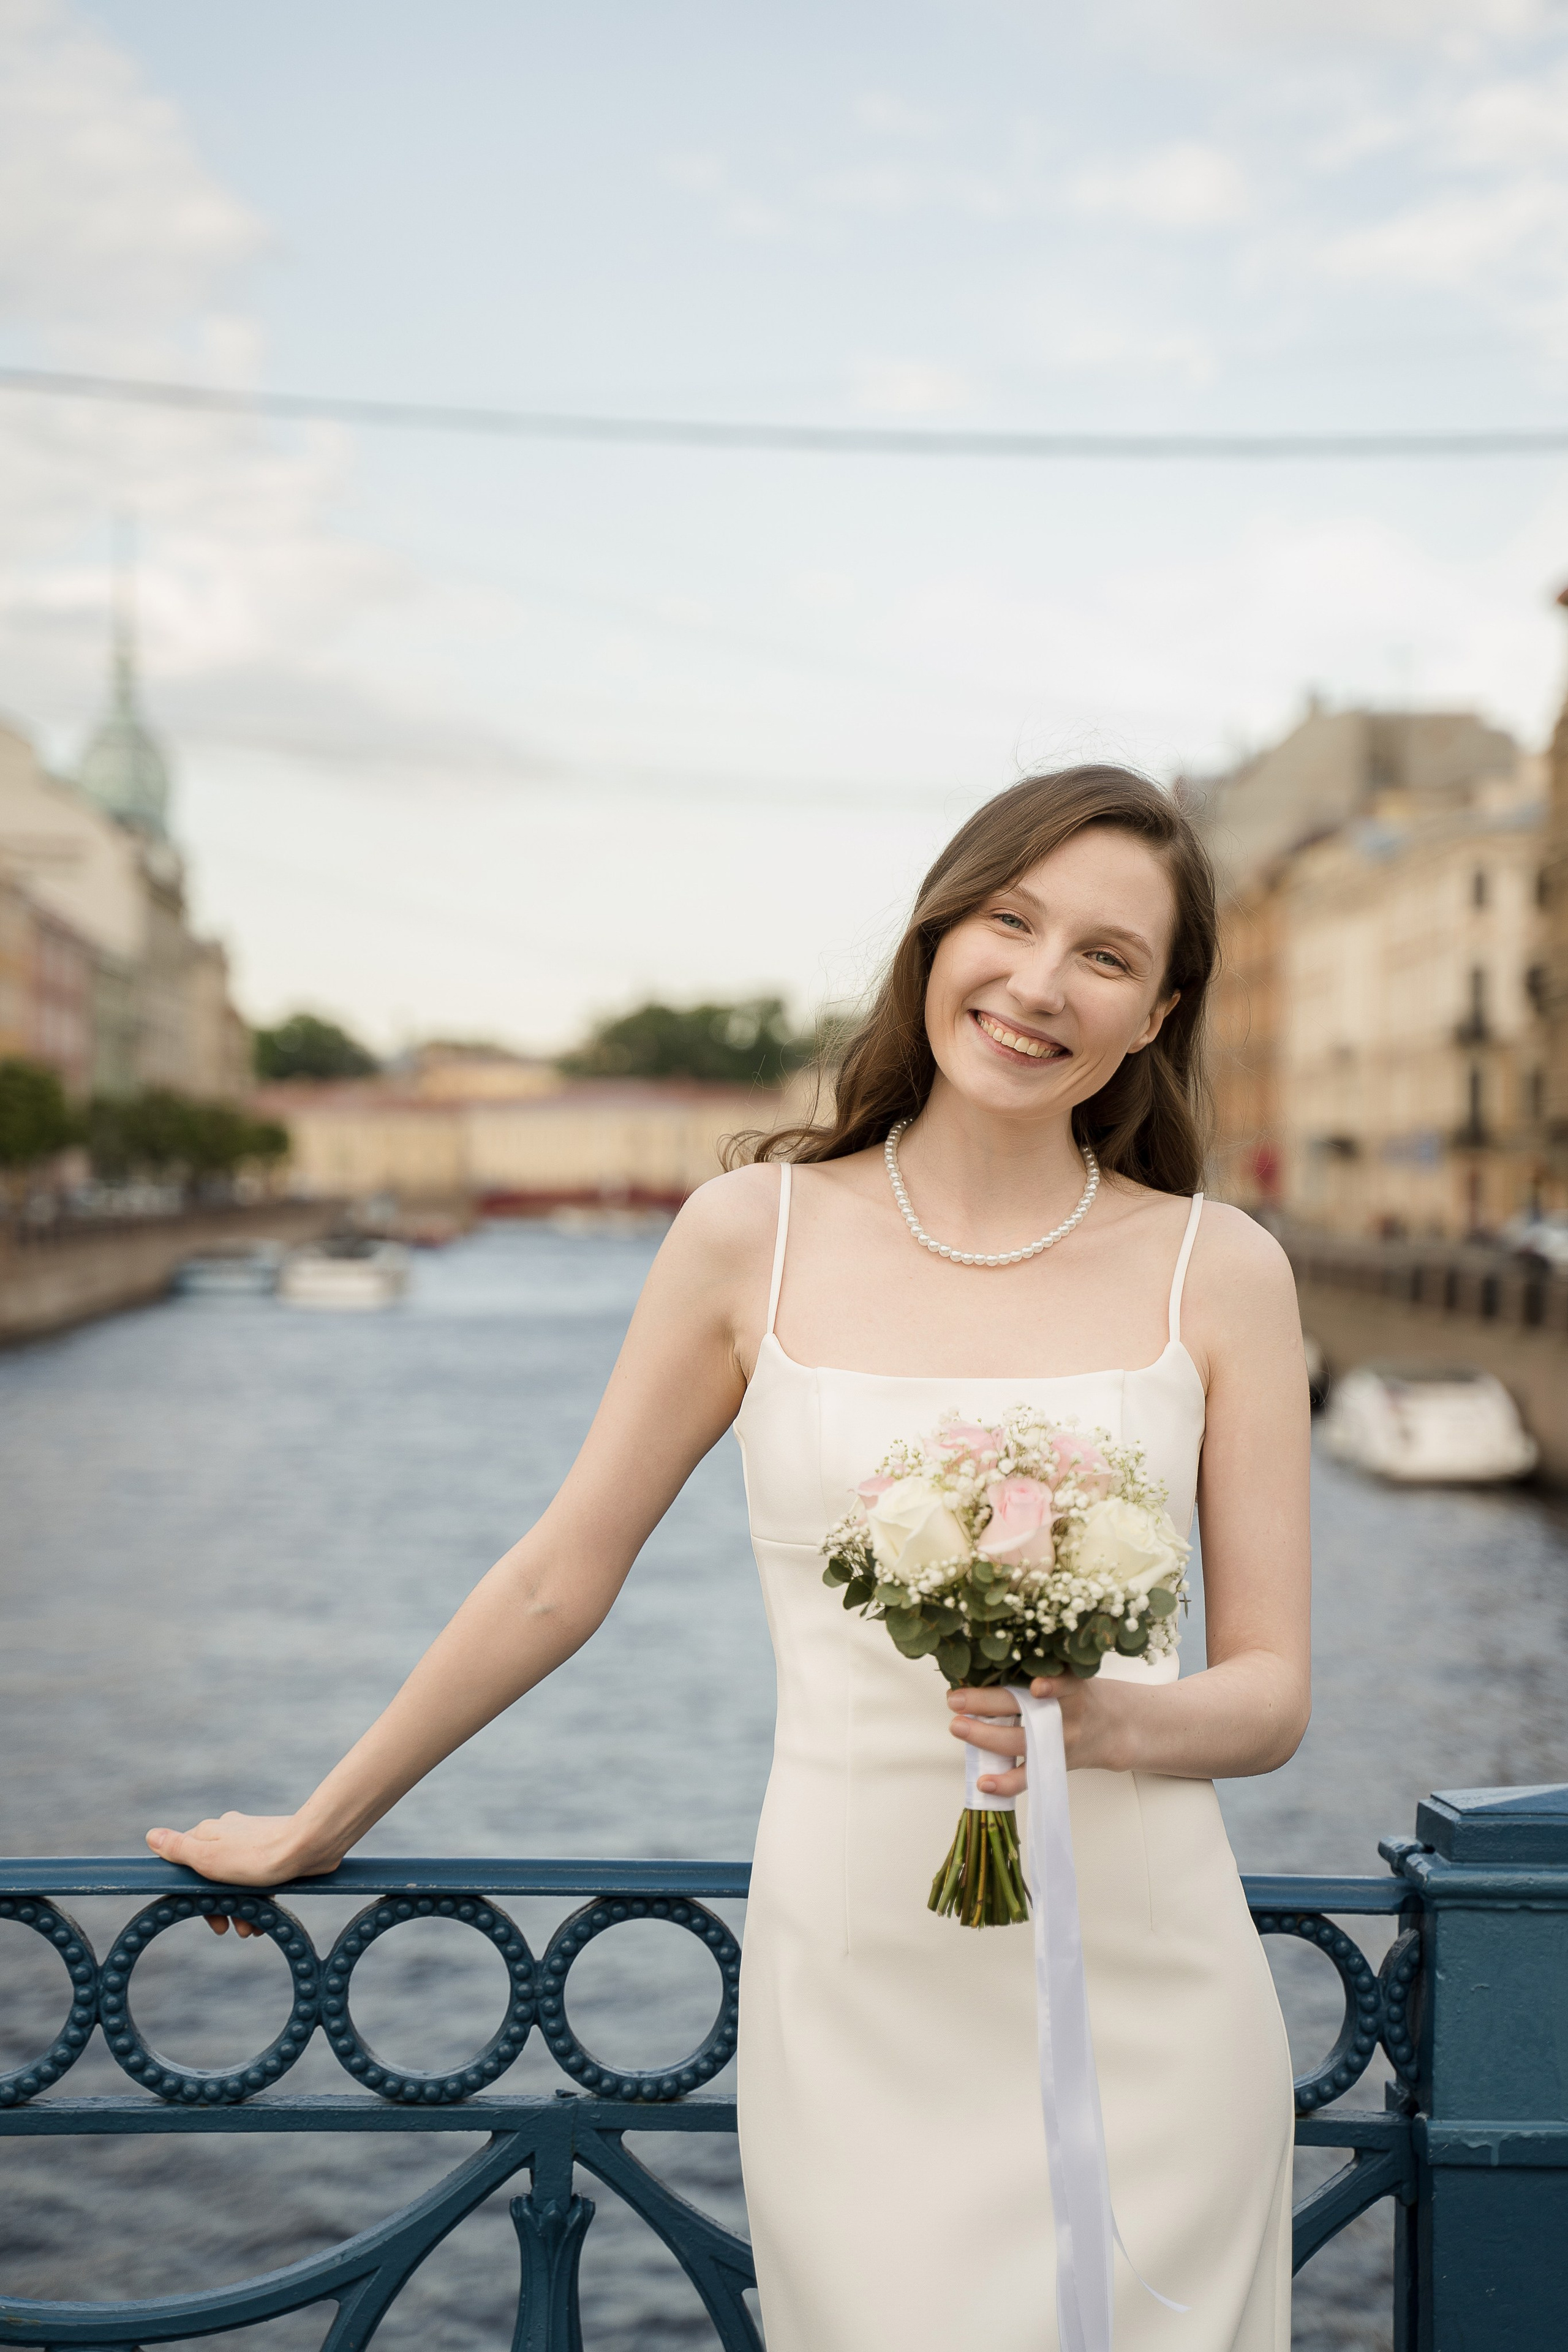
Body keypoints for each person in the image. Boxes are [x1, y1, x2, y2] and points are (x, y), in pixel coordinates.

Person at [149, 766, 1310, 2352]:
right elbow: (560, 1576)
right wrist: (320, 1820)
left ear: (1159, 1011)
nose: (1040, 983)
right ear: (937, 937)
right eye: (1009, 919)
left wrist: (1107, 1722)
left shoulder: (1219, 1267)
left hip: (1151, 1991)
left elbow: (1271, 1698)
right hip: (857, 1990)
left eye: (1106, 956)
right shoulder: (745, 1235)